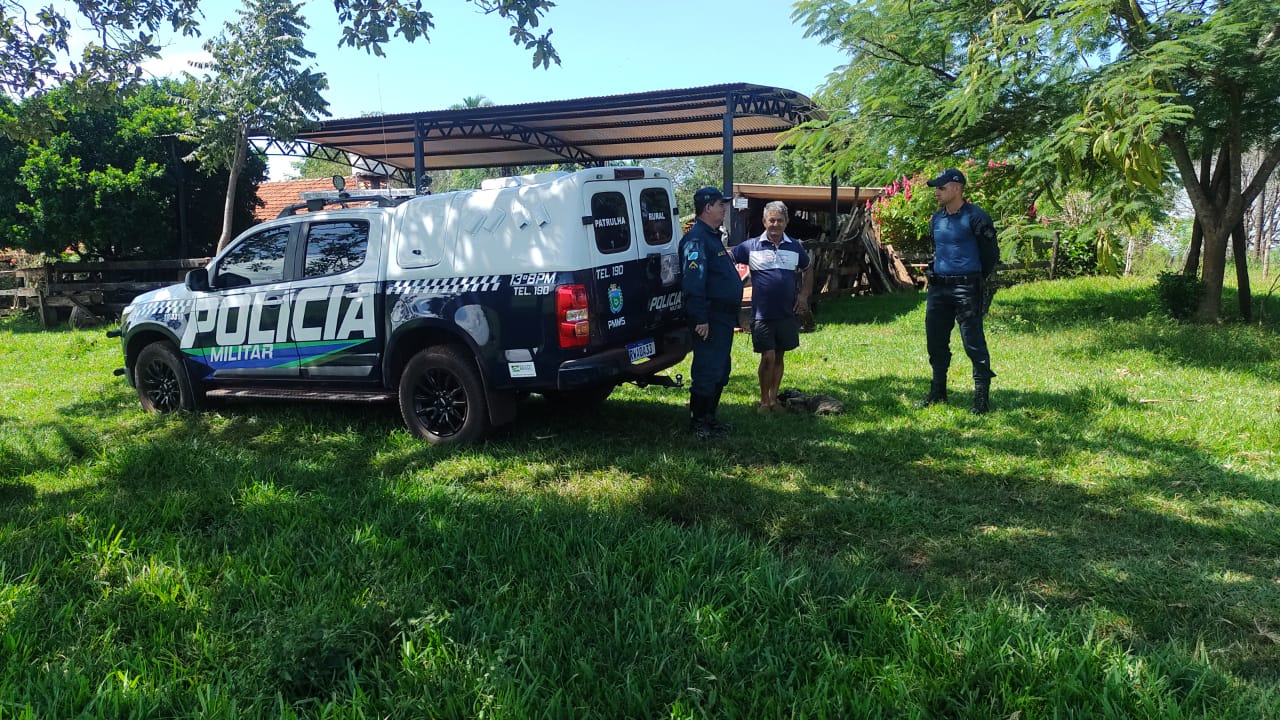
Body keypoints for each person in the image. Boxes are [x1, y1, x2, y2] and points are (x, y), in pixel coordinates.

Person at [919, 168, 999, 414]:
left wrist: (975, 279)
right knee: (935, 341)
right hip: (938, 288)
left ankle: (981, 399)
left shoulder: (976, 217)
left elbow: (990, 255)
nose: (937, 192)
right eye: (936, 188)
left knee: (973, 342)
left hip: (967, 287)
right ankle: (938, 392)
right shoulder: (936, 219)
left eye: (941, 188)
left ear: (956, 188)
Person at [730, 201, 811, 413]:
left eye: (779, 220)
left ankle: (774, 399)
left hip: (786, 312)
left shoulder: (795, 246)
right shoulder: (750, 246)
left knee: (780, 355)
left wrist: (803, 296)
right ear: (764, 221)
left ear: (786, 222)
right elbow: (727, 259)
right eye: (771, 220)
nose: (775, 224)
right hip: (761, 314)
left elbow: (808, 268)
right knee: (768, 356)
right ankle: (764, 400)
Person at [680, 186, 743, 438]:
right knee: (707, 368)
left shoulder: (712, 237)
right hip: (710, 316)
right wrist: (700, 318)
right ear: (707, 208)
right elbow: (693, 282)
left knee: (721, 368)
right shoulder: (696, 240)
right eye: (720, 205)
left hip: (723, 317)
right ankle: (698, 423)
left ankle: (710, 418)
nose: (724, 209)